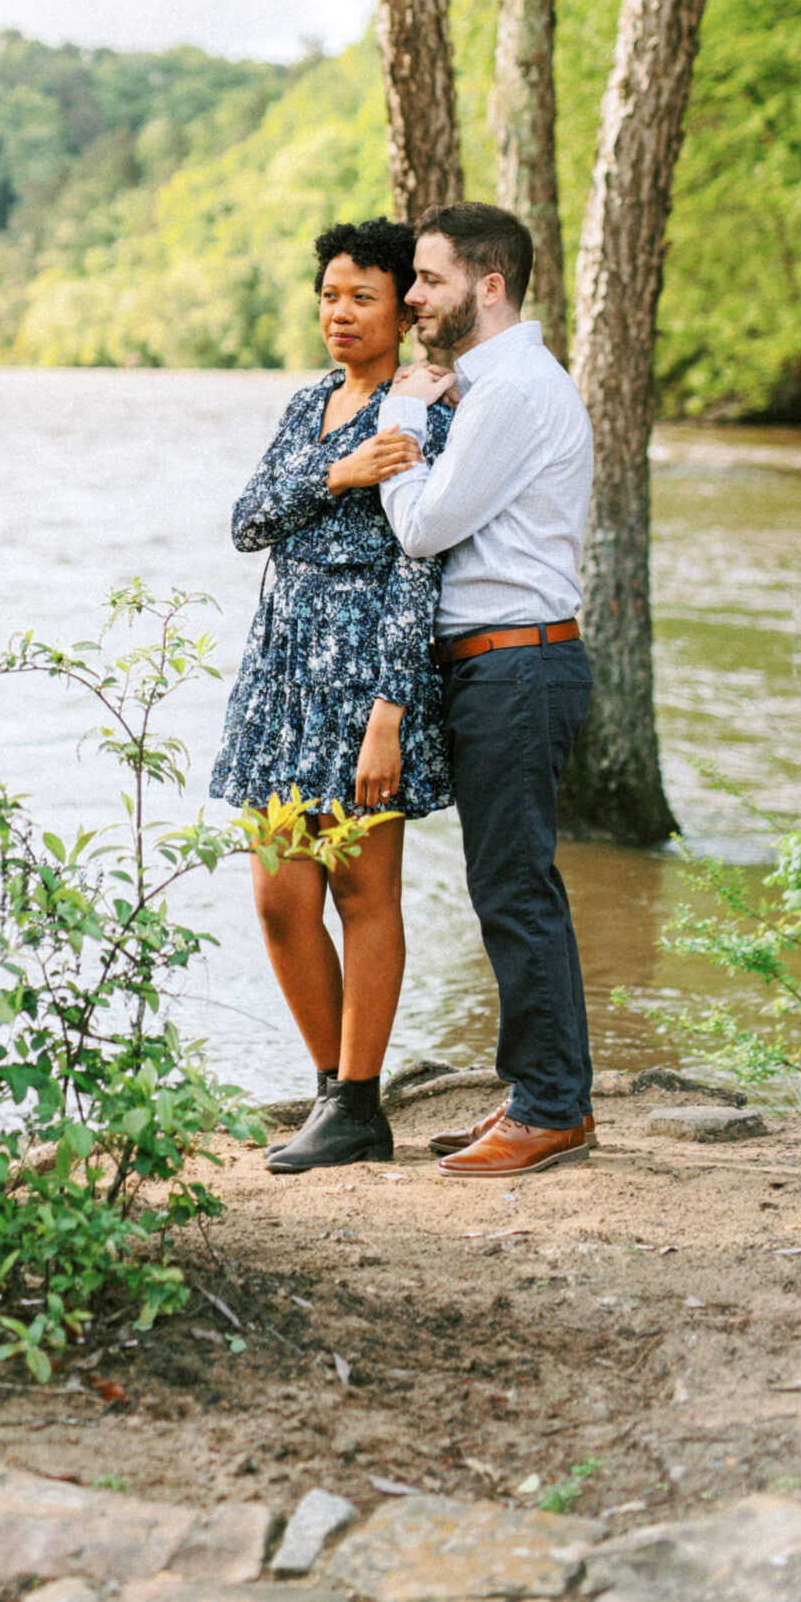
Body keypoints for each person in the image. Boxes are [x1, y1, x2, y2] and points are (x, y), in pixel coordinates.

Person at [209, 218, 454, 1172]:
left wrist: (390, 710)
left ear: (402, 307)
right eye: (328, 295)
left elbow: (419, 563)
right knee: (278, 895)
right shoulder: (311, 401)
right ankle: (330, 1092)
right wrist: (334, 471)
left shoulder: (418, 408)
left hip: (362, 674)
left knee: (361, 889)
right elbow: (246, 521)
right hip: (280, 668)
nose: (339, 313)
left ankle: (359, 1100)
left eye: (360, 297)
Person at [376, 201, 596, 1179]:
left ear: (489, 284)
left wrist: (396, 423)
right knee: (512, 883)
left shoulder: (509, 392)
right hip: (507, 663)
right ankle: (544, 1095)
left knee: (514, 888)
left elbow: (425, 527)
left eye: (428, 278)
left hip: (515, 661)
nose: (414, 295)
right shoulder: (495, 385)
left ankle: (551, 1109)